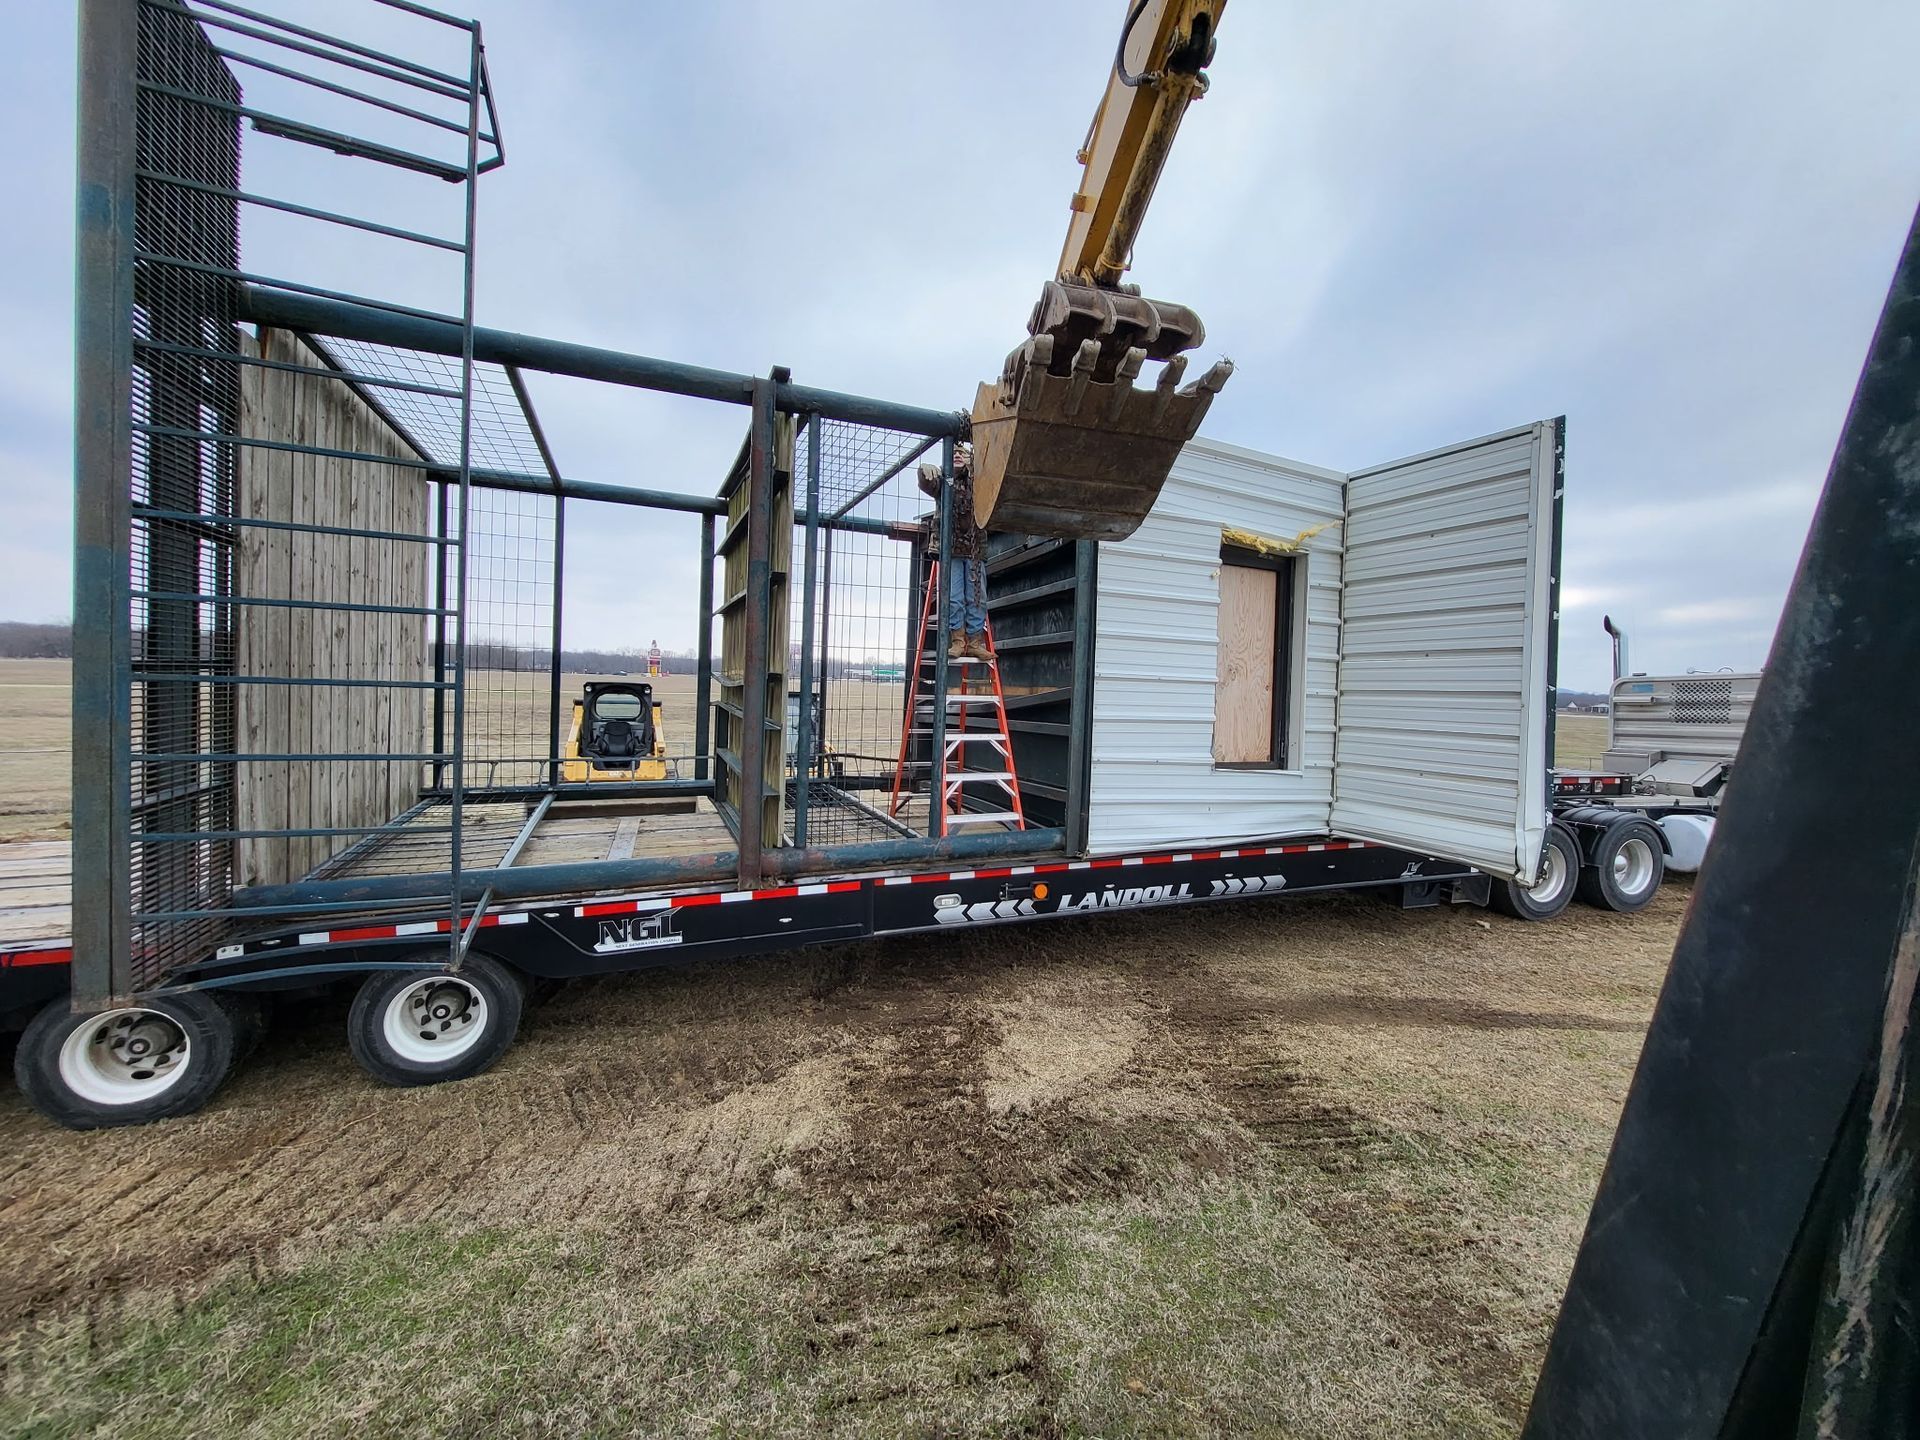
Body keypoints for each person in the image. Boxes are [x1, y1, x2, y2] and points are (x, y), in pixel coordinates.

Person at [918, 442, 990, 662]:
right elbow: (927, 483)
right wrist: (924, 472)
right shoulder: (942, 481)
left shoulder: (979, 481)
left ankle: (975, 642)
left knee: (977, 598)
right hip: (950, 549)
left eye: (963, 453)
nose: (958, 455)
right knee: (955, 597)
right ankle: (958, 640)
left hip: (974, 548)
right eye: (954, 453)